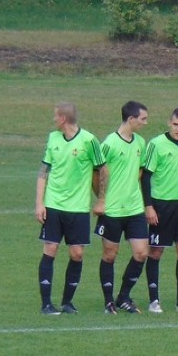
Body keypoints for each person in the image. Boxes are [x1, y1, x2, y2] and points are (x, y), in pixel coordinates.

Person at [35, 102, 107, 315]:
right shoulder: (53, 138)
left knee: (76, 254)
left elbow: (102, 170)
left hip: (78, 208)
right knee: (50, 249)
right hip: (54, 205)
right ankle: (46, 303)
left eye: (55, 116)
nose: (53, 120)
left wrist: (101, 199)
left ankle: (67, 302)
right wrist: (40, 203)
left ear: (63, 119)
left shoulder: (89, 140)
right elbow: (43, 171)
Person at [95, 101, 150, 315]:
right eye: (143, 119)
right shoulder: (109, 143)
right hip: (113, 210)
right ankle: (108, 301)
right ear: (131, 119)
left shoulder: (140, 143)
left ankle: (123, 296)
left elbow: (139, 171)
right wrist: (101, 200)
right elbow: (97, 173)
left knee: (141, 253)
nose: (146, 123)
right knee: (110, 255)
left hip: (134, 209)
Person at [144, 108, 178, 313]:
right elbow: (146, 176)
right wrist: (149, 206)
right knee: (156, 251)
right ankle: (154, 300)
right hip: (160, 206)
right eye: (175, 124)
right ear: (169, 123)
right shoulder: (156, 144)